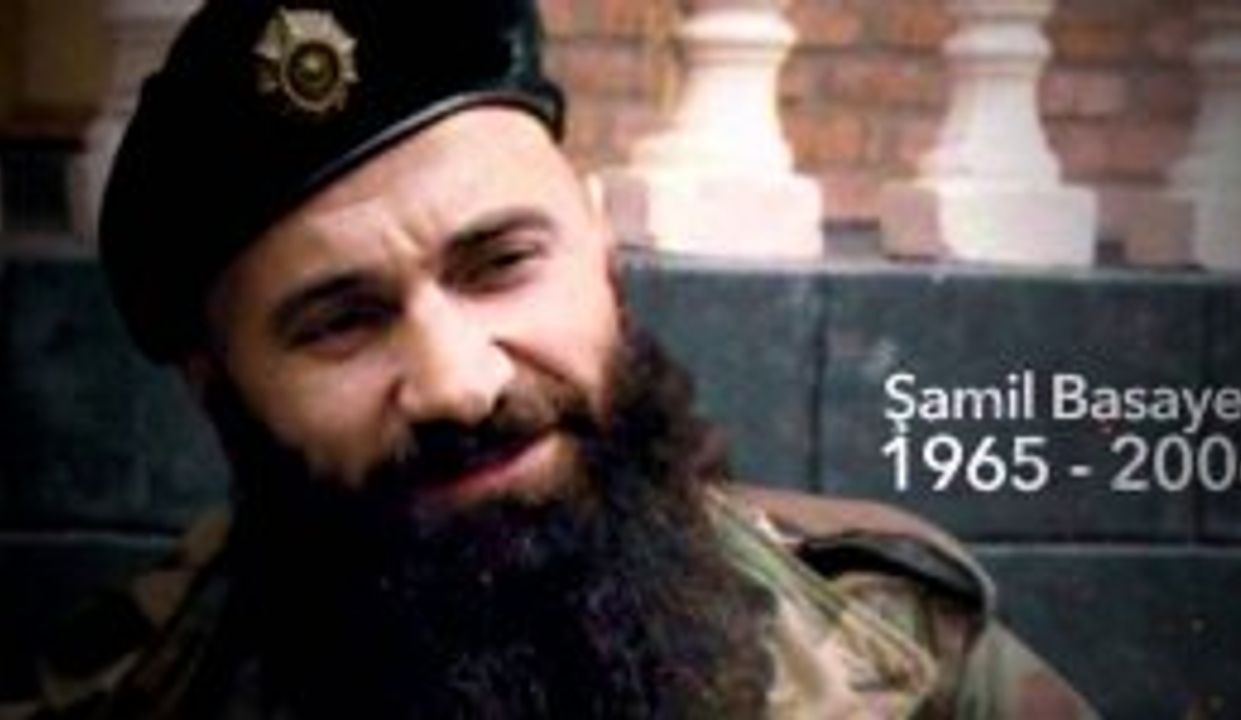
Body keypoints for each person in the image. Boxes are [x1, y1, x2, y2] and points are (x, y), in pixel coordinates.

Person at [1, 0, 1097, 718]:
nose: (457, 383)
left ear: (601, 254)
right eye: (339, 322)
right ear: (218, 388)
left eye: (500, 265)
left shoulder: (912, 669)